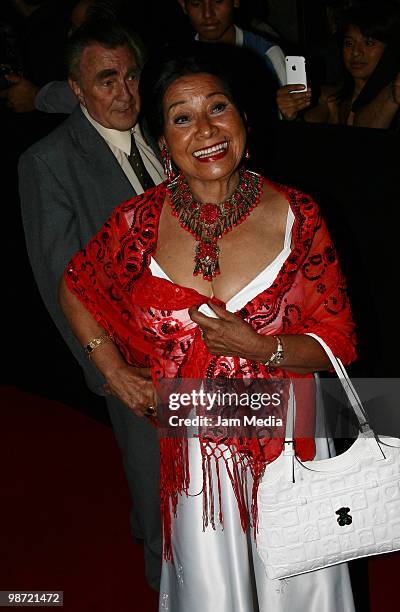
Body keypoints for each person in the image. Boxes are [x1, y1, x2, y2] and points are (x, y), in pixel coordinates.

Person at [58, 42, 357, 611]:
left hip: (291, 447)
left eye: (217, 108)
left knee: (301, 594)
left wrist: (261, 347)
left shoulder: (299, 215)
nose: (205, 130)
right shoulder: (137, 222)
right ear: (163, 143)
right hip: (197, 461)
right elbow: (75, 284)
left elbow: (338, 345)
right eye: (182, 118)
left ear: (244, 117)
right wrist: (114, 372)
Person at [18, 20, 164, 591]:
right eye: (107, 81)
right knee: (160, 496)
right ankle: (169, 590)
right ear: (77, 90)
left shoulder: (160, 130)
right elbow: (58, 281)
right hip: (128, 358)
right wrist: (109, 373)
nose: (125, 93)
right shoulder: (47, 163)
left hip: (193, 345)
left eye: (131, 76)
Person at [277, 1, 400, 129]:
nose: (356, 52)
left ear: (389, 49)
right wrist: (291, 115)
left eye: (368, 43)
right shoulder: (329, 99)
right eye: (349, 43)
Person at [177, 0, 286, 86]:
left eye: (218, 1)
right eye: (196, 3)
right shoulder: (177, 63)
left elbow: (293, 108)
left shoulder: (267, 55)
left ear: (235, 1)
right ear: (183, 5)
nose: (208, 14)